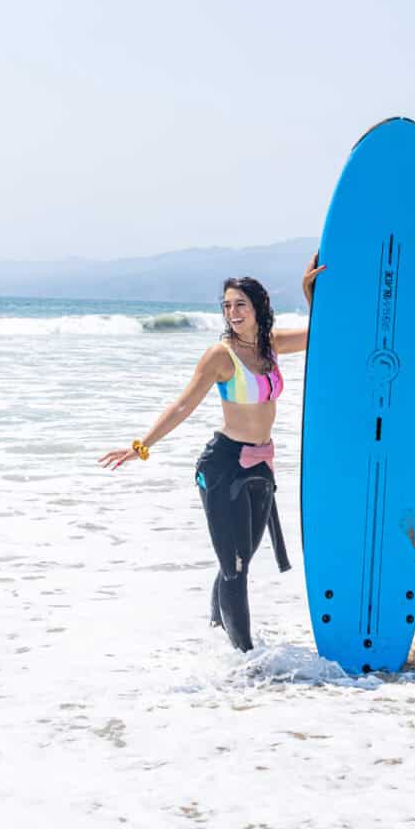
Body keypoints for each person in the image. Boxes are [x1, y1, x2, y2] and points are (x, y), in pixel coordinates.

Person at [100, 256, 324, 652]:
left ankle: (215, 630)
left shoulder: (270, 346)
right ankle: (246, 661)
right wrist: (142, 446)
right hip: (223, 466)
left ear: (259, 307)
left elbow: (321, 333)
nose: (232, 312)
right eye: (226, 305)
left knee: (240, 560)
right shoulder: (221, 355)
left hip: (262, 463)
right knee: (234, 569)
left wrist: (310, 294)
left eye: (240, 304)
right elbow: (183, 405)